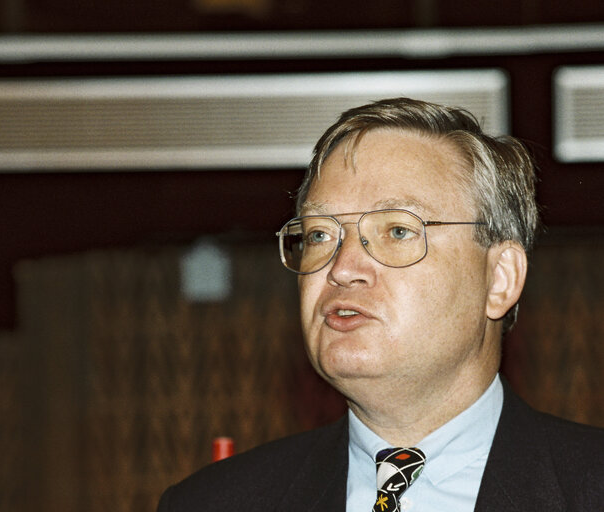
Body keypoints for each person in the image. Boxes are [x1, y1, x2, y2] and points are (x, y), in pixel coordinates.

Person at [157, 98, 604, 511]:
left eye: (397, 231)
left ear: (499, 278)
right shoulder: (211, 502)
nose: (341, 267)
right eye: (319, 235)